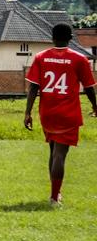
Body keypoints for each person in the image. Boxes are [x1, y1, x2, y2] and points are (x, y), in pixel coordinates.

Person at [23, 22, 96, 209]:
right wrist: (95, 107)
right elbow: (88, 88)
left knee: (53, 151)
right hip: (68, 112)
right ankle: (55, 197)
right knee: (60, 155)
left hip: (47, 112)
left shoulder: (41, 57)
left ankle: (56, 192)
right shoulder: (80, 59)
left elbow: (33, 87)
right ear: (71, 38)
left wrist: (28, 112)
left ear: (52, 38)